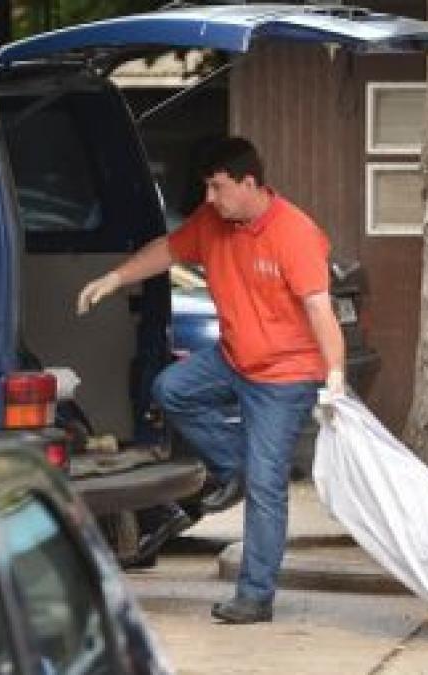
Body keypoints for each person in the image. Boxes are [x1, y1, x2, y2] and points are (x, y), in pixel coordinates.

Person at [77, 136, 346, 623]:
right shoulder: (213, 223)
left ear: (249, 183)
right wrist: (116, 278)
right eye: (207, 188)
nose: (209, 199)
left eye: (217, 188)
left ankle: (255, 596)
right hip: (232, 358)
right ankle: (236, 465)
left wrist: (336, 377)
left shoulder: (295, 233)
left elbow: (319, 310)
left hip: (285, 377)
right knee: (171, 390)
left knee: (267, 486)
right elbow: (166, 251)